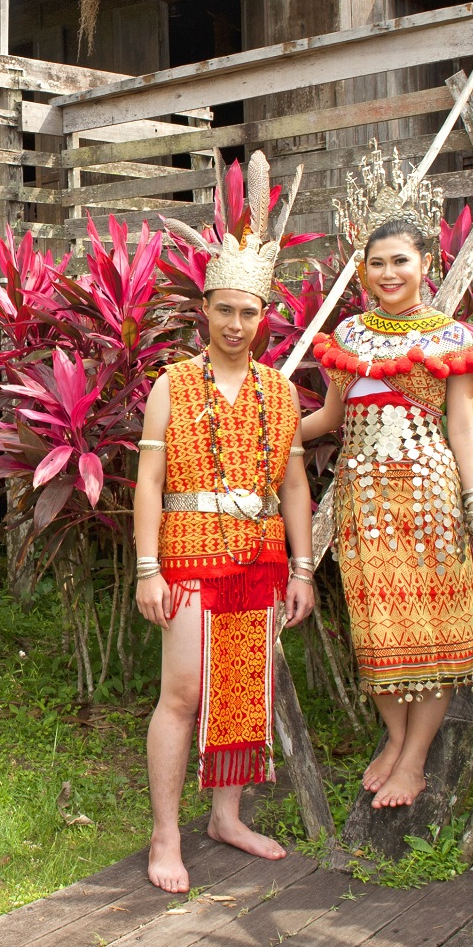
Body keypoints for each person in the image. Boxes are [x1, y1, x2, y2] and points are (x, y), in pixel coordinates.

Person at [299, 145, 473, 812]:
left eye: (402, 261)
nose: (390, 273)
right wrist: (260, 428)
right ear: (364, 270)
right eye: (378, 262)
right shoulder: (348, 335)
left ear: (427, 265)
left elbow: (464, 427)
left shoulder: (451, 338)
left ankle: (413, 761)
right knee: (375, 624)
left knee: (430, 625)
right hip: (363, 501)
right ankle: (394, 736)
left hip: (429, 497)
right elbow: (329, 418)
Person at [133, 153, 316, 894]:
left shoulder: (280, 391)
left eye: (249, 312)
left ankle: (227, 816)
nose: (236, 323)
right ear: (203, 309)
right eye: (224, 309)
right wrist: (147, 569)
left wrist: (304, 569)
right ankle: (167, 832)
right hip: (188, 556)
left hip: (262, 559)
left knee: (247, 687)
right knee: (182, 693)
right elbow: (148, 481)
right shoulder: (171, 385)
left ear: (262, 317)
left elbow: (295, 485)